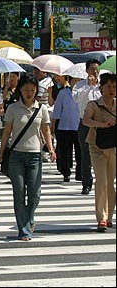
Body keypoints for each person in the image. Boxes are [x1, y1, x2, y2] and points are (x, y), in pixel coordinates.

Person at [0, 74, 56, 241]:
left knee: (35, 194)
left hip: (35, 155)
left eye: (32, 89)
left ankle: (29, 219)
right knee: (19, 192)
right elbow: (7, 132)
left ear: (36, 90)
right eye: (26, 89)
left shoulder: (41, 109)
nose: (29, 92)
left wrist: (51, 149)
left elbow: (46, 131)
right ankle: (24, 229)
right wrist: (1, 153)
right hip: (16, 156)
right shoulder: (13, 109)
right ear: (20, 90)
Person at [82, 73, 116, 232]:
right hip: (96, 147)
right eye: (108, 86)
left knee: (110, 182)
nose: (111, 89)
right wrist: (102, 124)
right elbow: (86, 120)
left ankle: (109, 217)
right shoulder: (93, 105)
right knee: (101, 181)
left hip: (113, 147)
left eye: (114, 86)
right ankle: (101, 218)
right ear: (101, 88)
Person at [73, 59, 101, 195]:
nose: (95, 72)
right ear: (87, 70)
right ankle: (86, 184)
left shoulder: (103, 85)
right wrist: (89, 86)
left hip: (101, 124)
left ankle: (102, 181)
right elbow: (77, 99)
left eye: (97, 69)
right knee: (85, 155)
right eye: (92, 69)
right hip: (85, 123)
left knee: (103, 153)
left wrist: (96, 86)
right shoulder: (80, 85)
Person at [51, 73, 81, 182]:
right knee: (64, 151)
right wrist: (53, 125)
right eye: (75, 81)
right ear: (70, 81)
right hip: (65, 126)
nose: (77, 83)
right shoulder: (63, 93)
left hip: (79, 126)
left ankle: (80, 173)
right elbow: (57, 110)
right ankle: (66, 172)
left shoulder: (83, 93)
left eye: (79, 81)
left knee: (80, 152)